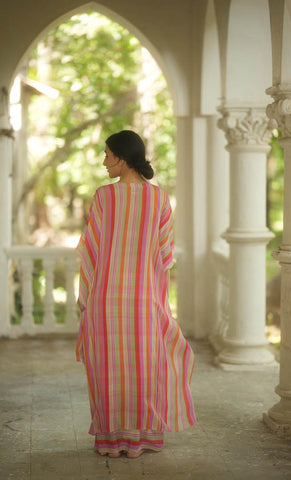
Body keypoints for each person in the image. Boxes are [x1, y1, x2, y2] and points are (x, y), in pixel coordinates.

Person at [76, 130, 196, 459]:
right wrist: (163, 302)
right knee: (143, 367)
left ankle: (111, 442)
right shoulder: (159, 198)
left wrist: (83, 295)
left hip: (105, 299)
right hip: (143, 301)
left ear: (123, 159)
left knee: (107, 369)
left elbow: (90, 252)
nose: (103, 162)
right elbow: (165, 256)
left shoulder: (104, 197)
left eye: (107, 155)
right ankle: (141, 440)